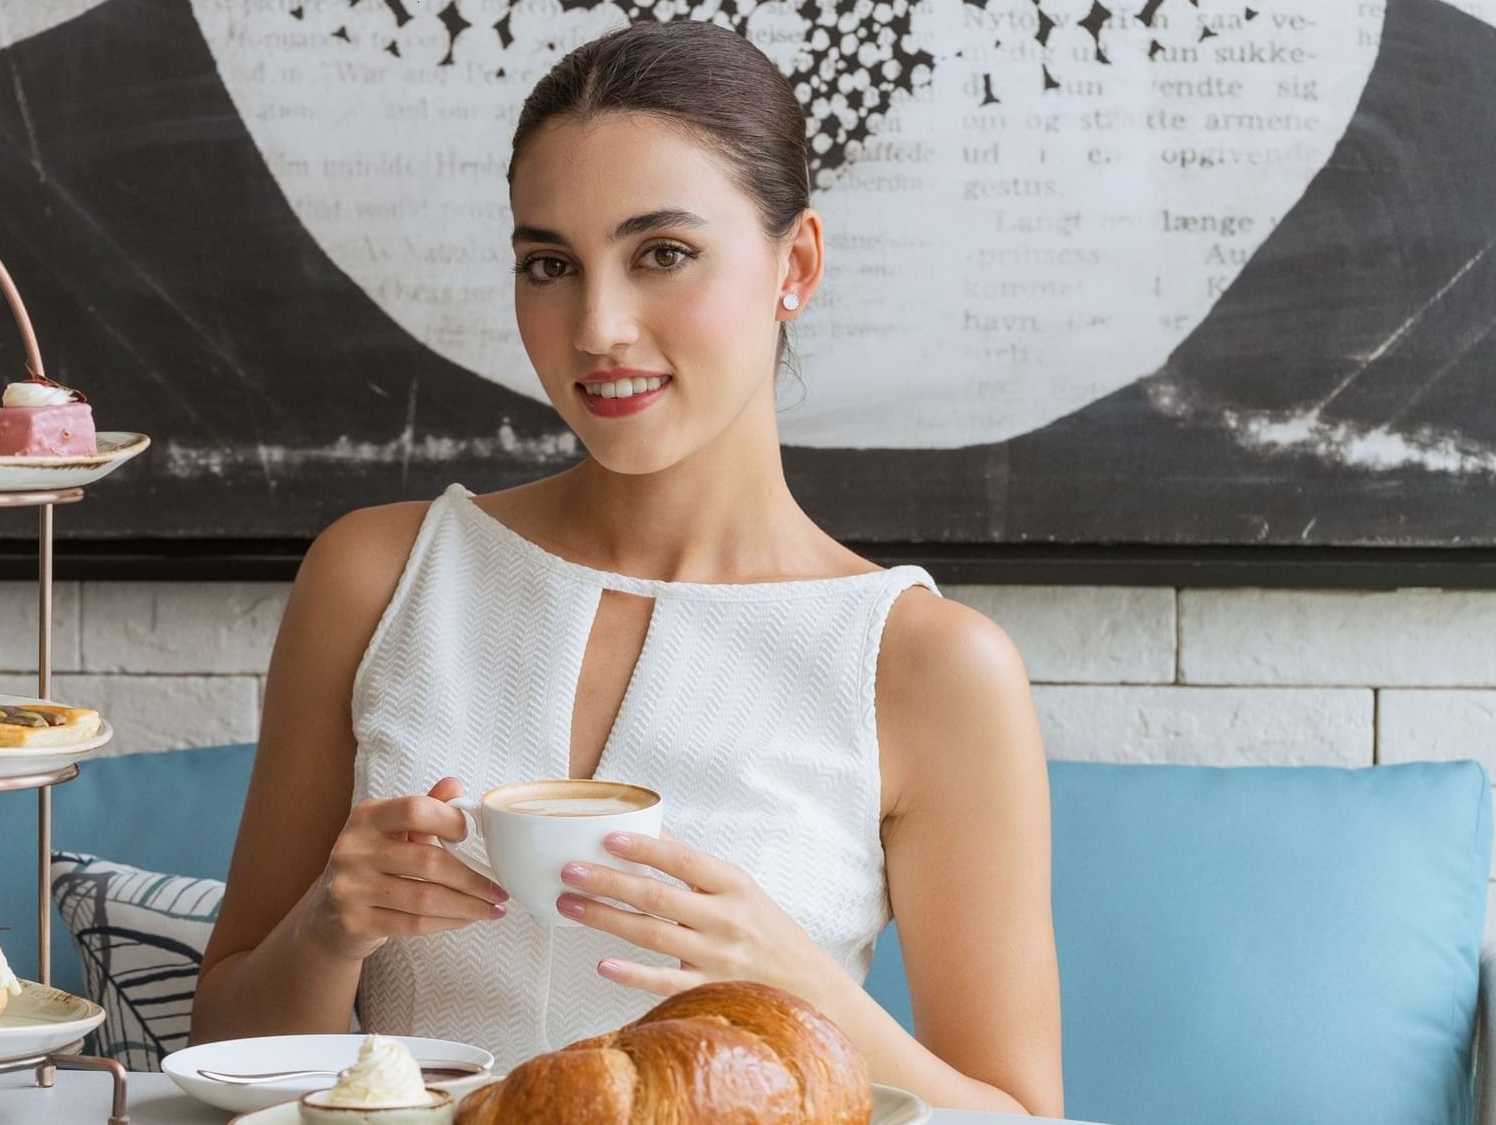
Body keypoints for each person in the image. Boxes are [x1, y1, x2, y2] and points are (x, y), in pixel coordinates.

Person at [192, 19, 1061, 1115]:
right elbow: (223, 1047)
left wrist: (791, 980)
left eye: (661, 254)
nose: (596, 326)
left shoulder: (926, 667)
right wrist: (332, 925)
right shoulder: (376, 576)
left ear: (793, 265)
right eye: (548, 265)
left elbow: (1023, 1118)